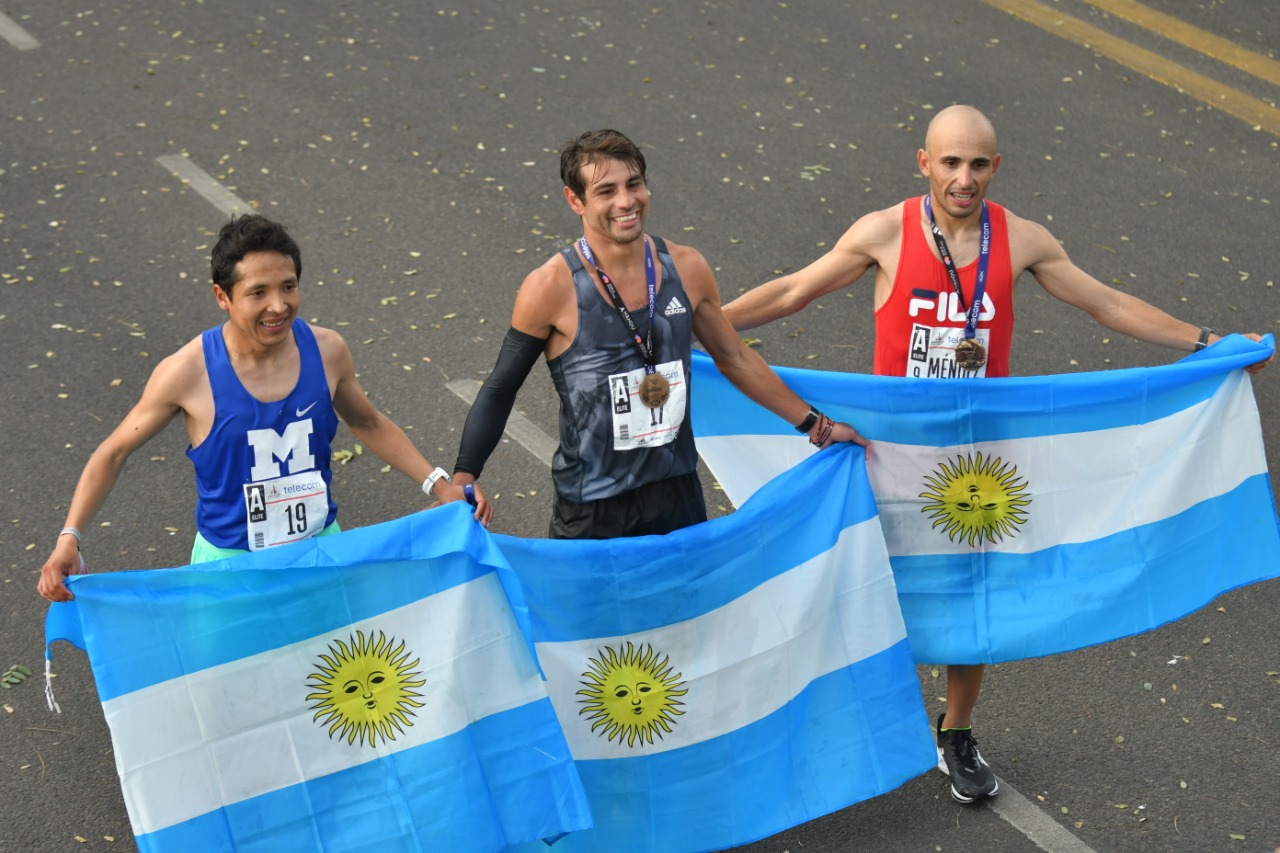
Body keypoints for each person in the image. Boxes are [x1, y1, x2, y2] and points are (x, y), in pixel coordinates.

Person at [722, 104, 1271, 804]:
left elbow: (1107, 303)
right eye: (950, 162)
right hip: (887, 455)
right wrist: (701, 326)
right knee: (856, 582)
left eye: (978, 163)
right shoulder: (885, 232)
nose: (964, 178)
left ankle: (956, 731)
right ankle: (831, 717)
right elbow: (793, 291)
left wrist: (1206, 344)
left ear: (996, 167)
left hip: (975, 463)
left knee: (967, 596)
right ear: (924, 163)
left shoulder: (1022, 240)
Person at [38, 214, 490, 603]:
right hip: (230, 570)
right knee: (231, 697)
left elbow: (366, 421)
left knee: (329, 688)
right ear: (223, 296)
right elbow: (113, 452)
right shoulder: (187, 372)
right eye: (258, 293)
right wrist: (69, 538)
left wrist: (438, 484)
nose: (279, 306)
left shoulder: (327, 350)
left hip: (318, 554)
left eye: (289, 286)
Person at [451, 128, 864, 541]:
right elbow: (501, 388)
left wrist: (818, 426)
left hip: (677, 493)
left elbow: (734, 357)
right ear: (575, 200)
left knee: (692, 608)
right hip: (593, 507)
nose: (626, 201)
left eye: (634, 185)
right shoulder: (550, 288)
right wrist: (464, 476)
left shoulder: (686, 267)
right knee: (592, 609)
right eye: (606, 191)